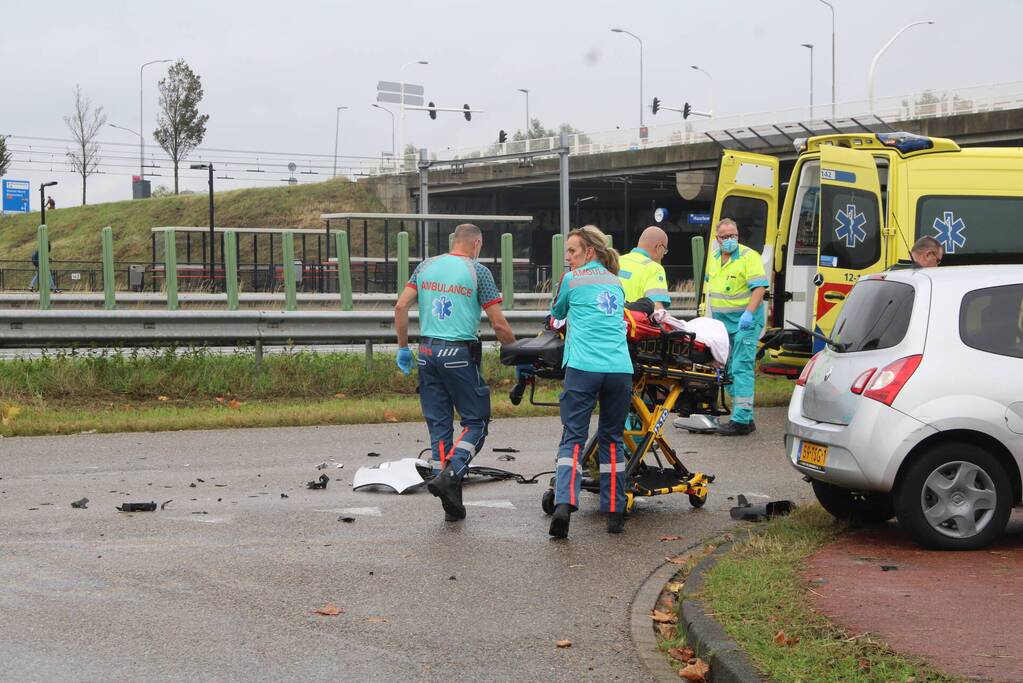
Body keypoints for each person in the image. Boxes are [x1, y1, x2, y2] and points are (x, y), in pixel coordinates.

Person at [393, 223, 516, 522]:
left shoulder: (426, 266)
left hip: (426, 353)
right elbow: (498, 324)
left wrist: (403, 347)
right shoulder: (478, 272)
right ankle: (453, 472)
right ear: (477, 243)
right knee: (477, 422)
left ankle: (451, 504)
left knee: (440, 427)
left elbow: (400, 306)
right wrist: (516, 353)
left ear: (454, 241)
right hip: (459, 354)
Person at [548, 225, 634, 538]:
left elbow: (556, 314)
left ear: (589, 252)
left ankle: (564, 504)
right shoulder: (616, 281)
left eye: (572, 251)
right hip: (620, 370)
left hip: (584, 368)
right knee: (613, 439)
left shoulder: (570, 280)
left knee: (573, 437)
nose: (568, 257)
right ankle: (615, 513)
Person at [704, 218, 768, 436]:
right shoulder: (713, 259)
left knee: (741, 366)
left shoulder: (750, 257)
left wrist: (749, 313)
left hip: (745, 322)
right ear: (717, 239)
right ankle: (746, 416)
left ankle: (740, 420)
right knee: (728, 369)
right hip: (723, 324)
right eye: (725, 237)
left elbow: (759, 289)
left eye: (734, 236)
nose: (730, 240)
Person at [618, 226, 671, 308]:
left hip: (612, 318)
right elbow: (657, 310)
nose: (663, 256)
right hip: (633, 320)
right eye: (664, 251)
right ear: (659, 247)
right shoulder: (654, 268)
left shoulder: (616, 261)